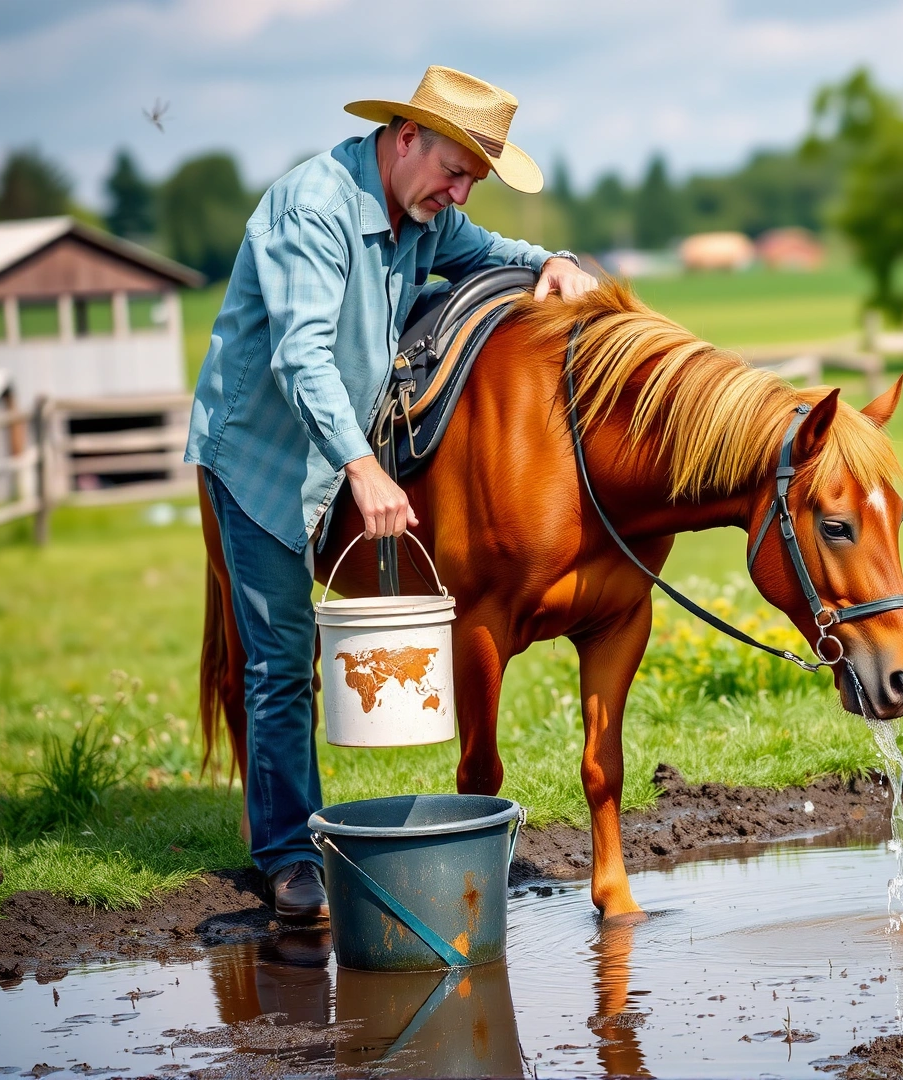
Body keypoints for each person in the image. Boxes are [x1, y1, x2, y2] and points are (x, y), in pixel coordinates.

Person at [185, 66, 598, 921]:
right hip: (263, 456)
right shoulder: (315, 211)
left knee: (291, 657)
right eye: (456, 173)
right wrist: (362, 468)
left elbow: (488, 253)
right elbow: (299, 356)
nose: (459, 195)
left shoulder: (421, 213)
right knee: (278, 663)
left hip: (331, 449)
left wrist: (553, 263)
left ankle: (296, 833)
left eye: (473, 183)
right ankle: (289, 857)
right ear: (405, 137)